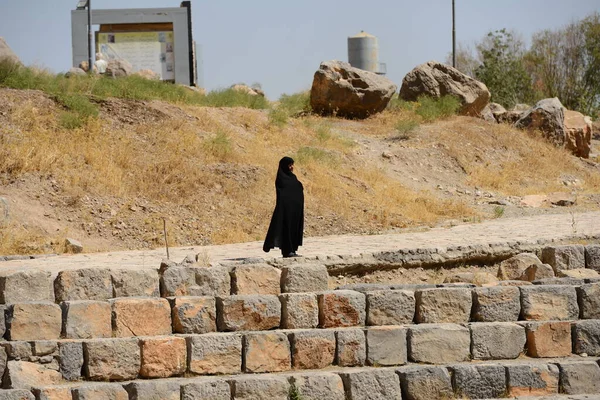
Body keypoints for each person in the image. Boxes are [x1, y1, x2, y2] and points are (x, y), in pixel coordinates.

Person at [263, 156, 304, 257]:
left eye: (292, 165)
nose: (291, 167)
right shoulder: (281, 179)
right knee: (286, 228)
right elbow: (283, 195)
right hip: (286, 210)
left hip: (296, 210)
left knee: (294, 228)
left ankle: (293, 249)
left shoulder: (293, 177)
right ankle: (287, 251)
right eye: (289, 165)